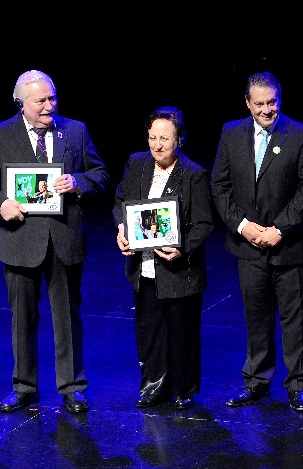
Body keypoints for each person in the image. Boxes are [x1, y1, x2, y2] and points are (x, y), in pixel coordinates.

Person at [0, 70, 108, 414]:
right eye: (41, 100)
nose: (50, 105)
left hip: (64, 237)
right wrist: (2, 203)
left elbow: (100, 173)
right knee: (22, 319)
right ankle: (25, 387)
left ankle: (73, 387)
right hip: (20, 240)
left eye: (53, 97)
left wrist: (77, 182)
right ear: (21, 104)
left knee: (67, 317)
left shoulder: (74, 130)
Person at [210, 71, 303, 412]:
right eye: (259, 104)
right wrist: (242, 226)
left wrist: (279, 229)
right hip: (248, 245)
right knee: (255, 316)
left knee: (294, 319)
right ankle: (256, 381)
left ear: (280, 100)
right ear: (247, 103)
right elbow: (220, 185)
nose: (266, 109)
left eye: (271, 102)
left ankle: (297, 385)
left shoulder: (302, 135)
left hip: (289, 245)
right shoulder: (231, 133)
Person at [114, 106, 214, 411]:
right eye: (152, 138)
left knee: (181, 331)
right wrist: (122, 228)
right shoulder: (137, 163)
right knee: (150, 329)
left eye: (165, 139)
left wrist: (182, 248)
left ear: (179, 140)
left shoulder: (193, 174)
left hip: (179, 269)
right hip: (144, 266)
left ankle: (183, 389)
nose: (157, 145)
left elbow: (204, 223)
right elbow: (121, 201)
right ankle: (153, 387)